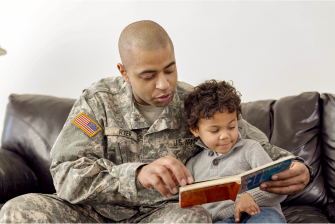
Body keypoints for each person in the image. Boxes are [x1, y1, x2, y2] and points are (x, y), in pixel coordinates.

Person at [0, 20, 311, 223]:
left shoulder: (196, 104)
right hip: (91, 214)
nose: (164, 85)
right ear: (124, 72)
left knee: (193, 220)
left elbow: (258, 148)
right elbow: (65, 174)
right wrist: (137, 175)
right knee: (18, 211)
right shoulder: (96, 102)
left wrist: (298, 167)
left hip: (160, 216)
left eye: (170, 69)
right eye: (148, 75)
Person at [184, 80, 287, 223]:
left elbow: (278, 186)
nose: (225, 135)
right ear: (195, 130)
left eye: (231, 127)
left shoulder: (251, 149)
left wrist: (251, 197)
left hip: (258, 212)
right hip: (220, 220)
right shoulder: (192, 165)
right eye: (215, 130)